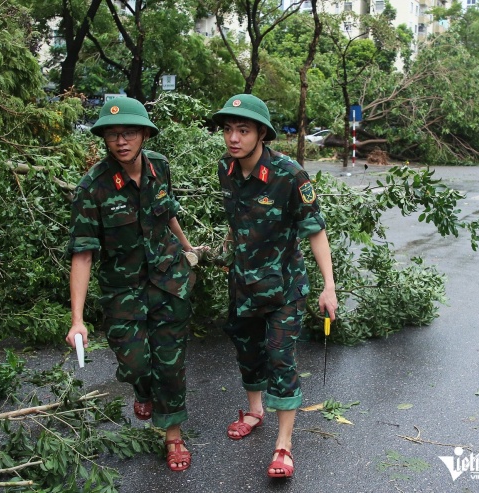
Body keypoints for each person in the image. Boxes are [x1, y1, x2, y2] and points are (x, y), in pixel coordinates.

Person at [65, 97, 201, 472]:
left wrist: (189, 250)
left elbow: (167, 212)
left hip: (169, 281)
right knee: (137, 364)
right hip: (123, 291)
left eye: (128, 132)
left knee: (170, 365)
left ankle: (173, 436)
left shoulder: (160, 166)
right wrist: (77, 319)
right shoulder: (92, 187)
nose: (120, 141)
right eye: (112, 134)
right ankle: (143, 389)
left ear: (144, 134)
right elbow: (82, 254)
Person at [212, 94, 338, 479]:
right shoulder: (225, 169)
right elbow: (237, 223)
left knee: (280, 358)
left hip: (284, 288)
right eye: (229, 130)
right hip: (243, 285)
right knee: (248, 352)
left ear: (262, 134)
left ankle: (283, 446)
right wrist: (222, 251)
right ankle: (254, 411)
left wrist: (328, 288)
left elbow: (316, 232)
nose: (233, 138)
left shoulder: (289, 174)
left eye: (243, 130)